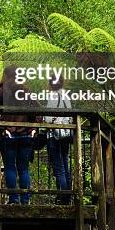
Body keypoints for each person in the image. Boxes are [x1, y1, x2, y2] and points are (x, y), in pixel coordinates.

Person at [0, 65, 41, 205]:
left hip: (8, 136)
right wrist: (33, 128)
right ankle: (25, 200)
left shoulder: (0, 91)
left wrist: (3, 127)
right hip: (25, 135)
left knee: (10, 167)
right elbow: (38, 109)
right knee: (23, 168)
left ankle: (13, 199)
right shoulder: (26, 90)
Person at [44, 75, 73, 205]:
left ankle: (63, 198)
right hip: (66, 135)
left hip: (54, 136)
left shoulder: (53, 97)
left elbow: (48, 119)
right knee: (65, 166)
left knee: (59, 168)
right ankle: (68, 197)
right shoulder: (66, 96)